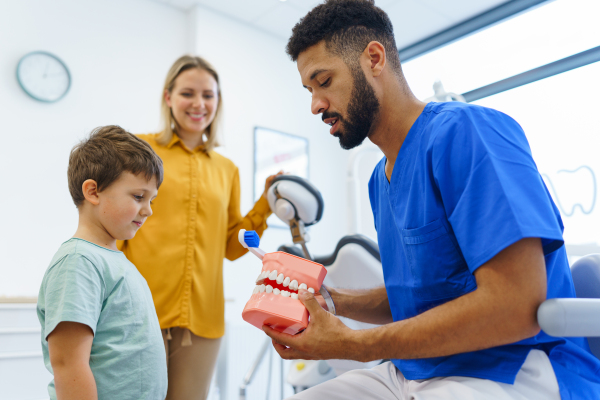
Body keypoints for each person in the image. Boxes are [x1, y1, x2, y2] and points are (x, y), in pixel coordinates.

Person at [261, 1, 600, 399]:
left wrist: (354, 345)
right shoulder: (379, 180)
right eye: (309, 90)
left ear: (373, 58)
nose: (316, 104)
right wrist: (335, 302)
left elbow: (516, 305)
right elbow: (425, 294)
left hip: (512, 365)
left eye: (324, 81)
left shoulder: (468, 135)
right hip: (415, 370)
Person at [118, 55, 280, 400]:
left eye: (208, 95)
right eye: (188, 93)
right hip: (138, 313)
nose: (199, 103)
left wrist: (266, 203)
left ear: (217, 102)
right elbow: (114, 224)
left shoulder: (227, 169)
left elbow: (232, 247)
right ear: (168, 97)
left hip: (204, 320)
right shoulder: (138, 149)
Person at [37, 126, 166, 400]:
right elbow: (68, 364)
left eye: (151, 199)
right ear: (93, 192)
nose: (148, 210)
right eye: (138, 196)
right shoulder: (78, 262)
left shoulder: (115, 260)